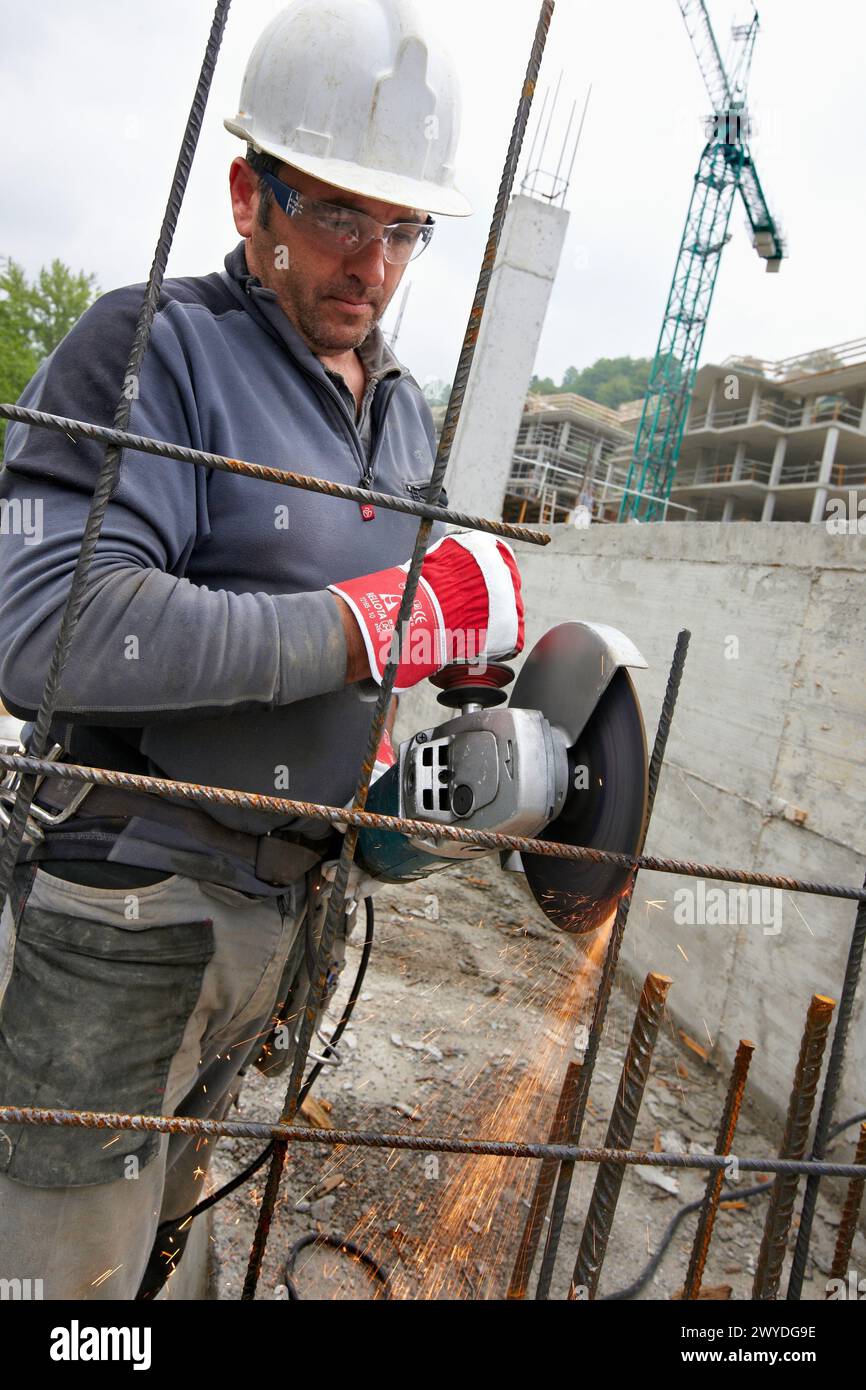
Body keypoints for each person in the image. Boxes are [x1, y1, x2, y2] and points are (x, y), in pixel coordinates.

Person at [0, 0, 524, 1300]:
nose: (376, 262)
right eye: (342, 214)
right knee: (65, 1276)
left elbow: (381, 659)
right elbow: (46, 630)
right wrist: (371, 622)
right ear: (250, 192)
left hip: (287, 912)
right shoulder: (147, 350)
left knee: (176, 1235)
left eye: (405, 227)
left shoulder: (400, 411)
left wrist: (431, 733)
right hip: (134, 902)